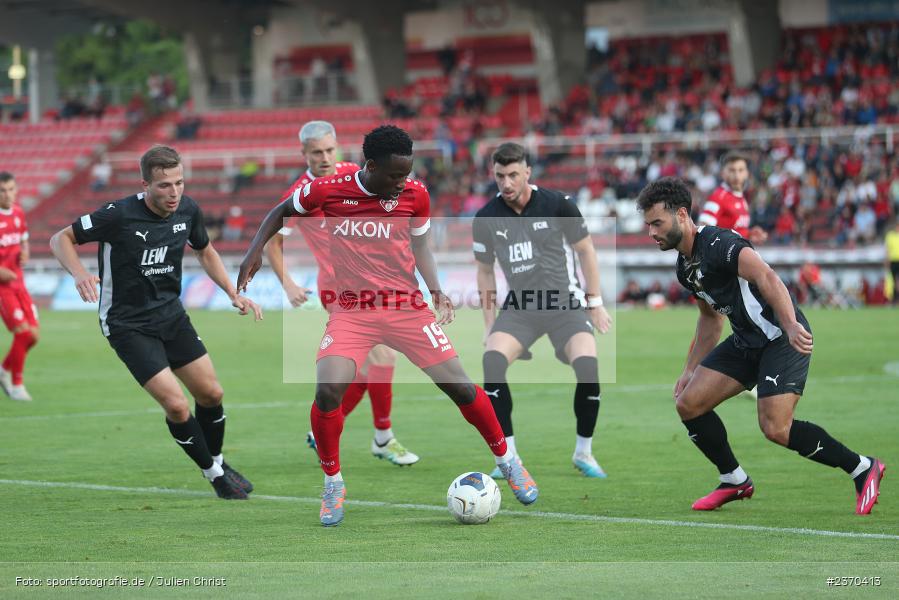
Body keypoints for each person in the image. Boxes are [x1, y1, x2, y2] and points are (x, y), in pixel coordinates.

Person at [238, 126, 538, 526]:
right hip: (351, 310)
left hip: (405, 308)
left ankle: (509, 461)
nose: (402, 182)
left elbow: (421, 246)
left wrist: (436, 291)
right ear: (372, 166)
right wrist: (253, 251)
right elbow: (279, 212)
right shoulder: (328, 190)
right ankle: (333, 484)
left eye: (407, 173)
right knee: (328, 390)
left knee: (461, 386)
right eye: (395, 175)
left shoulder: (415, 194)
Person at [636, 177, 884, 515]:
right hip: (745, 342)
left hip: (781, 339)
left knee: (775, 428)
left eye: (656, 223)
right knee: (689, 403)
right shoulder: (685, 267)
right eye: (648, 224)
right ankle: (734, 479)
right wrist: (689, 368)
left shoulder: (719, 243)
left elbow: (767, 277)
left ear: (682, 215)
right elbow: (710, 320)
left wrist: (791, 324)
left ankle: (861, 467)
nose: (651, 232)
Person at [49, 145, 261, 500]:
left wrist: (231, 292)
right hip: (127, 324)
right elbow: (61, 238)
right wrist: (79, 272)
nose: (174, 192)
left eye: (179, 183)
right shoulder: (117, 215)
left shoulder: (189, 209)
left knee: (212, 393)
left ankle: (220, 461)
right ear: (144, 183)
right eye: (164, 185)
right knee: (177, 406)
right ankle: (214, 476)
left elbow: (204, 250)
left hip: (171, 315)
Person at [265, 120, 418, 466]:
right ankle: (383, 438)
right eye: (317, 152)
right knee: (383, 359)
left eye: (330, 149)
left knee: (365, 374)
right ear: (303, 153)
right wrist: (287, 283)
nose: (325, 157)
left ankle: (323, 430)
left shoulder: (355, 173)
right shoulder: (302, 192)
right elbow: (272, 243)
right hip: (339, 289)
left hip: (376, 284)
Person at [473, 143, 613, 480]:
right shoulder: (486, 218)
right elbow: (485, 271)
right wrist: (489, 324)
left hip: (563, 303)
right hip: (520, 308)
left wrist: (594, 302)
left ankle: (584, 452)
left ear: (527, 173)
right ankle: (508, 456)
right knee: (492, 362)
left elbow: (586, 252)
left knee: (588, 369)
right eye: (500, 176)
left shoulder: (558, 204)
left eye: (513, 175)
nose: (506, 183)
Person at [0, 172, 38, 401]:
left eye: (11, 189)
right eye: (3, 191)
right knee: (23, 333)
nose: (7, 194)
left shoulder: (18, 213)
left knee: (33, 336)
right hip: (3, 289)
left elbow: (23, 238)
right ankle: (17, 384)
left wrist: (25, 252)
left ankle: (3, 369)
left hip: (19, 283)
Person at [699, 152, 768, 244]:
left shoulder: (741, 197)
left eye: (740, 170)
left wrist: (749, 234)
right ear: (723, 173)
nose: (736, 175)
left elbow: (735, 231)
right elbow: (703, 232)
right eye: (732, 170)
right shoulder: (718, 197)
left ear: (746, 173)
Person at [886, 219, 899, 305]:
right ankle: (894, 299)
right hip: (893, 261)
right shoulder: (890, 236)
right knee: (893, 281)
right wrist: (887, 260)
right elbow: (887, 250)